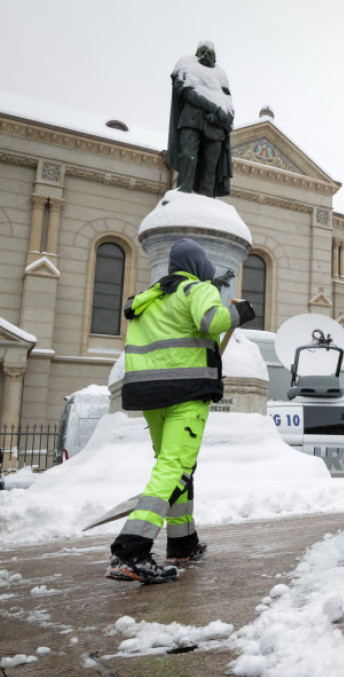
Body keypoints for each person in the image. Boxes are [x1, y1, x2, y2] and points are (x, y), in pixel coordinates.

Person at [105, 238, 254, 584]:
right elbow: (211, 321)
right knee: (175, 467)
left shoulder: (150, 300)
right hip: (187, 392)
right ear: (200, 267)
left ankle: (182, 543)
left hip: (149, 394)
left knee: (175, 467)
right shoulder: (196, 289)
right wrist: (241, 312)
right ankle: (131, 550)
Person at [167, 41, 234, 197]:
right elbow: (187, 93)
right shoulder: (185, 65)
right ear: (196, 53)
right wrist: (216, 109)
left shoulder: (220, 76)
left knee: (211, 166)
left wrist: (218, 119)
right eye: (202, 51)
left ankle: (206, 200)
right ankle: (183, 194)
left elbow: (229, 107)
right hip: (190, 120)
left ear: (215, 59)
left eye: (209, 53)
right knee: (188, 156)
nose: (205, 55)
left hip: (215, 128)